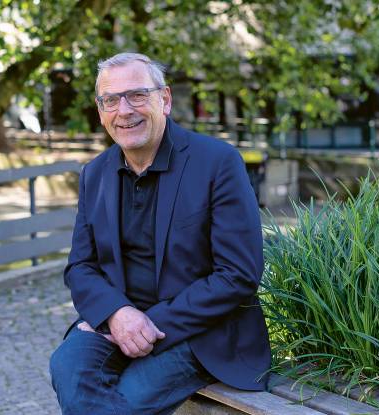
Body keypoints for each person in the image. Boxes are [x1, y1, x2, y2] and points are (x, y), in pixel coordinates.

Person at [49, 52, 270, 415]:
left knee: (128, 396)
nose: (124, 111)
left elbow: (239, 274)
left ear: (164, 99)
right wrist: (118, 315)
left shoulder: (218, 163)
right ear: (100, 109)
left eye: (137, 95)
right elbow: (81, 267)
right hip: (118, 321)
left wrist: (148, 325)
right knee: (67, 369)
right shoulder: (95, 174)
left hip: (200, 330)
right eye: (111, 100)